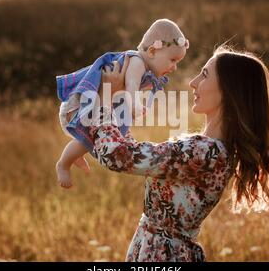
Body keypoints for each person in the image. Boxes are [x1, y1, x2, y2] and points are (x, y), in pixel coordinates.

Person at [87, 46, 269, 261]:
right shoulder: (213, 150)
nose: (193, 82)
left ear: (228, 90)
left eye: (205, 74)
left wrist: (105, 98)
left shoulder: (204, 152)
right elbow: (132, 154)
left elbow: (117, 156)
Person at [56, 19, 189, 188]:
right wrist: (134, 105)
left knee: (93, 137)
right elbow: (132, 85)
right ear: (152, 51)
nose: (174, 67)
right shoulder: (137, 62)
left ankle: (74, 155)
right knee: (93, 136)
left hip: (90, 105)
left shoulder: (142, 65)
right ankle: (63, 164)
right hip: (78, 106)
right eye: (173, 60)